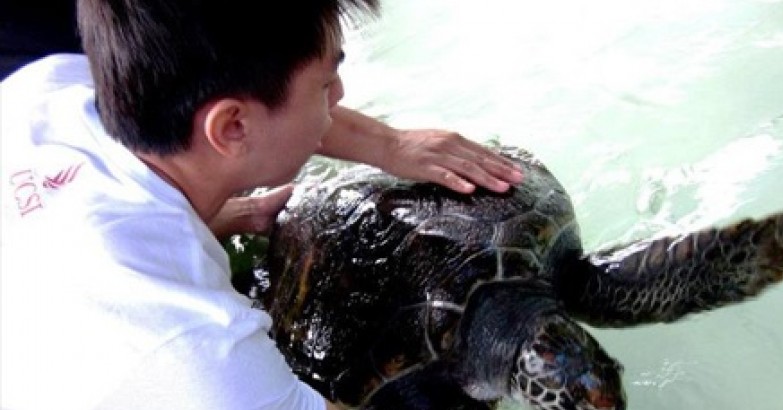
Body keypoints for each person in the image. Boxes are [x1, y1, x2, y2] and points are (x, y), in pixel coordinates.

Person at [0, 0, 523, 409]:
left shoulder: (44, 93)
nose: (339, 97)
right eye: (325, 84)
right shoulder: (200, 353)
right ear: (231, 127)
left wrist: (388, 145)